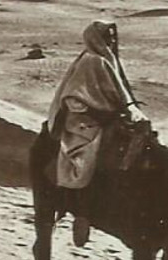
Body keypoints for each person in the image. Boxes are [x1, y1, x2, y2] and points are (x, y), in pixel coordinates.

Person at [46, 20, 150, 246]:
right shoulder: (90, 61)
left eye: (112, 37)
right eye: (107, 37)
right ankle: (81, 210)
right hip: (83, 122)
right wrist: (101, 114)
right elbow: (73, 99)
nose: (111, 41)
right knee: (94, 149)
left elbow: (117, 95)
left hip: (106, 117)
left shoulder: (106, 60)